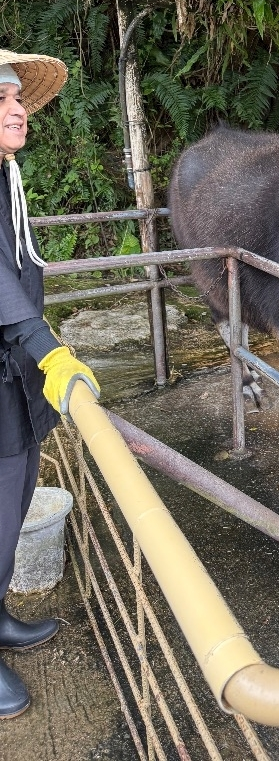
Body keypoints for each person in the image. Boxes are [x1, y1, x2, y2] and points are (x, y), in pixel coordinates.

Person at [0, 49, 100, 719]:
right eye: (0, 100)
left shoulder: (6, 177)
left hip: (11, 374)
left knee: (12, 501)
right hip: (15, 355)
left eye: (16, 99)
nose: (16, 109)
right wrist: (49, 349)